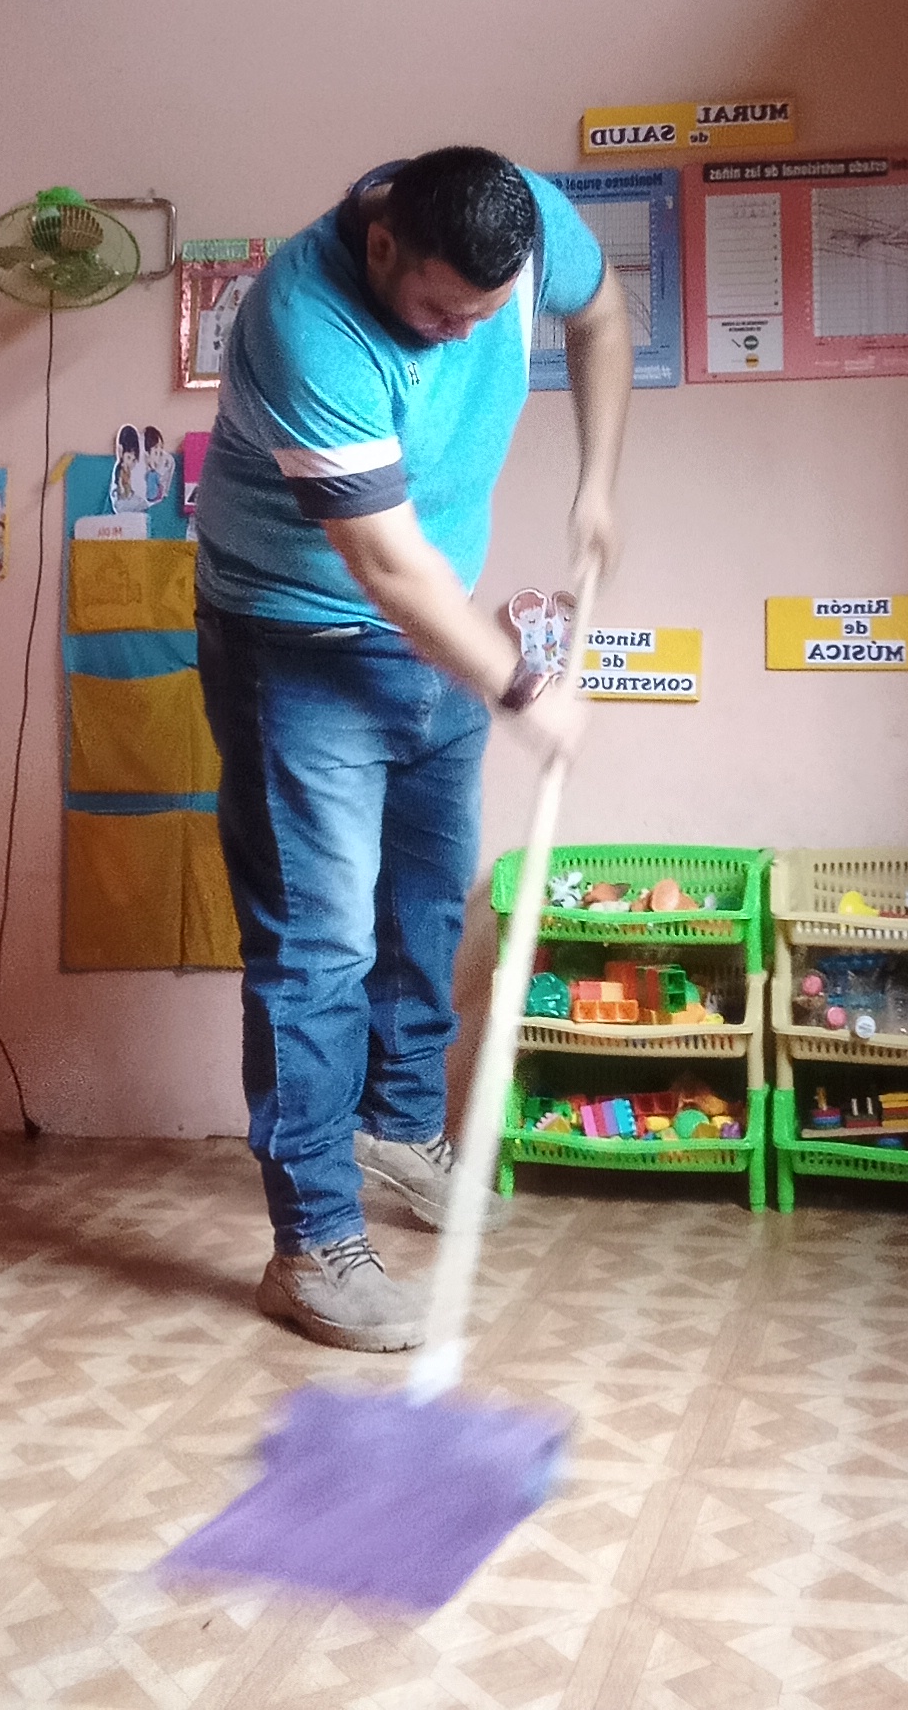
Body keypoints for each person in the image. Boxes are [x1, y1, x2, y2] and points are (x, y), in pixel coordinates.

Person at [194, 148, 632, 1352]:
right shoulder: (303, 321)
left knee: (427, 902)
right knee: (317, 947)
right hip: (298, 642)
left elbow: (601, 315)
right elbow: (386, 569)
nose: (462, 335)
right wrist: (523, 687)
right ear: (383, 244)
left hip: (439, 627)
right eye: (441, 310)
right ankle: (312, 1246)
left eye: (485, 315)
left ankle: (397, 1127)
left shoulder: (520, 222)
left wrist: (596, 481)